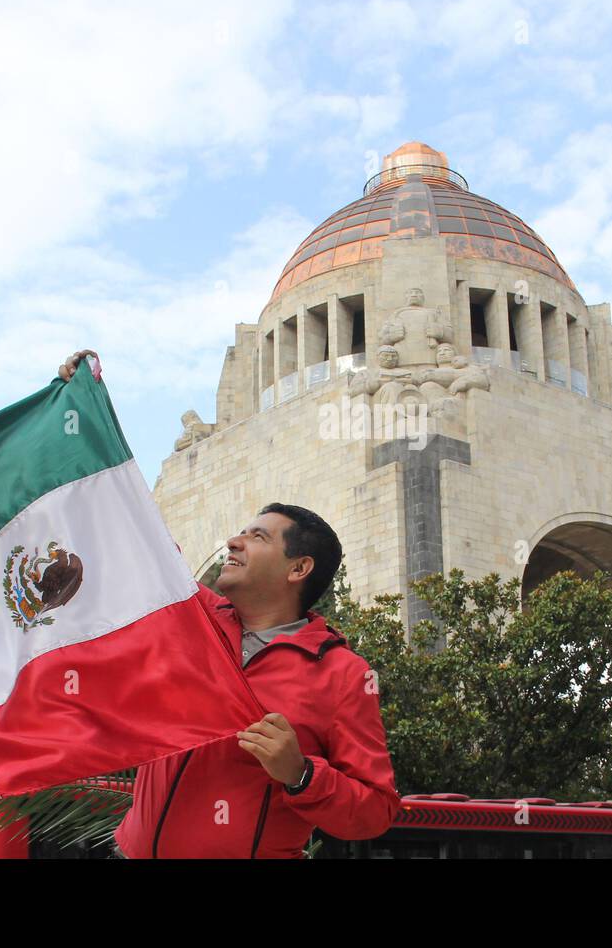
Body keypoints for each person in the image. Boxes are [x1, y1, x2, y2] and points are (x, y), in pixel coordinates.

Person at [59, 349, 401, 858]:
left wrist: (301, 774)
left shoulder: (342, 677)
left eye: (257, 536)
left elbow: (374, 812)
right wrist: (82, 419)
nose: (234, 543)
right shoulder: (187, 616)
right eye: (240, 532)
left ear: (297, 568)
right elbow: (130, 533)